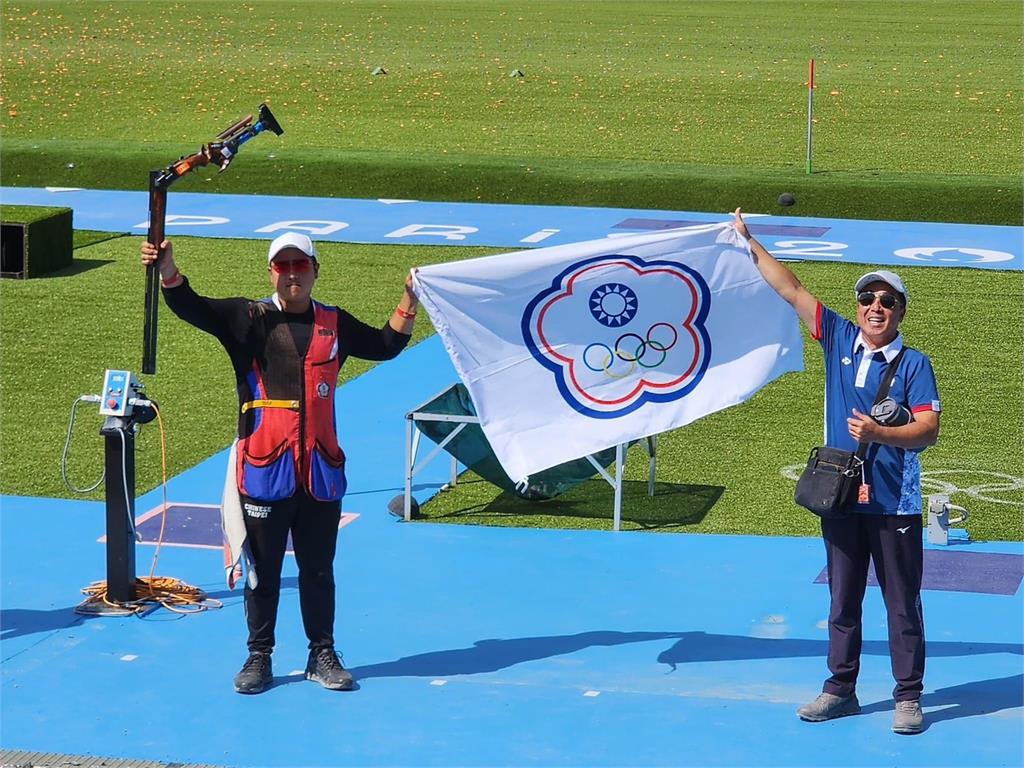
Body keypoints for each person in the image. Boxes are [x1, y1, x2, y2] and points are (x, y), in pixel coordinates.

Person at [141, 232, 419, 694]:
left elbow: (387, 344)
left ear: (315, 269)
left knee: (318, 571)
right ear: (272, 271)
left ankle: (322, 654)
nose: (292, 273)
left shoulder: (335, 323)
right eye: (283, 266)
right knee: (263, 572)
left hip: (320, 474)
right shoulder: (245, 318)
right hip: (265, 471)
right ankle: (259, 655)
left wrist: (409, 298)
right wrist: (168, 270)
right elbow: (193, 307)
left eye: (300, 265)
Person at [733, 208, 940, 734]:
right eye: (868, 299)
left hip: (895, 501)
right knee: (842, 598)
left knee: (901, 603)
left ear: (901, 312)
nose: (876, 307)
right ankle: (840, 689)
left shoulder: (915, 364)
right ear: (858, 307)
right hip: (842, 496)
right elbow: (792, 289)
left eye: (887, 301)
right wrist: (747, 241)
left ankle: (907, 697)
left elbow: (928, 430)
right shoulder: (839, 340)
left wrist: (880, 435)